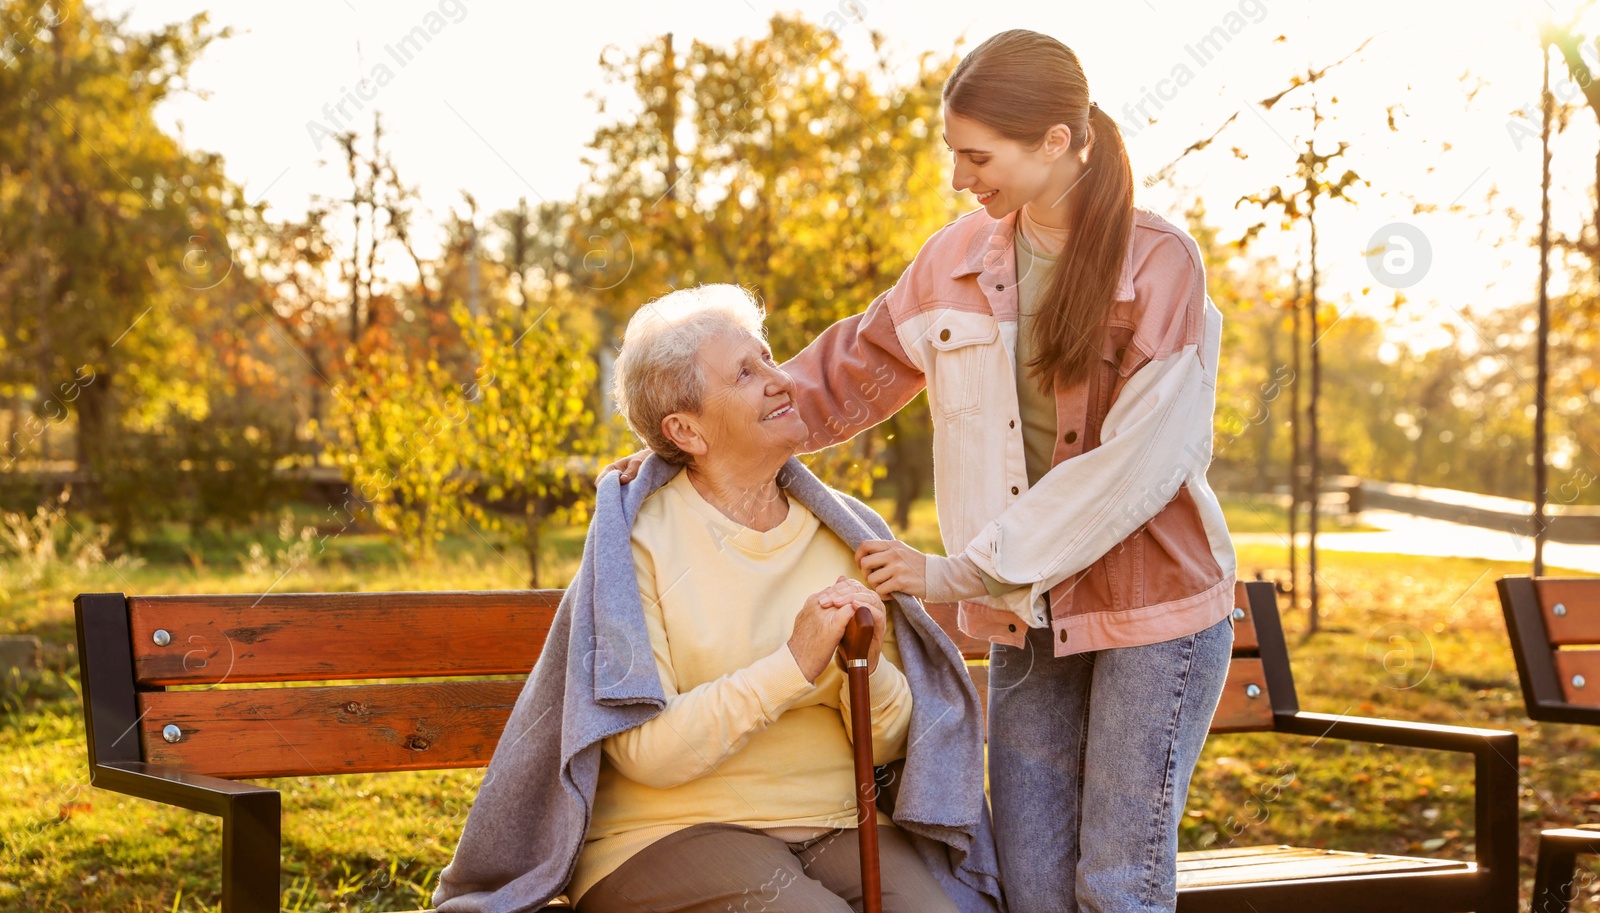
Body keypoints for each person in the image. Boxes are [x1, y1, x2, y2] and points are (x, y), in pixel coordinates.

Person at [605, 29, 1237, 913]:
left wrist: (961, 572)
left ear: (1056, 141)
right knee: (1030, 877)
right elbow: (848, 370)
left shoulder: (1157, 262)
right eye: (953, 153)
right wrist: (697, 433)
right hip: (1027, 617)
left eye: (977, 156)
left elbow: (1135, 467)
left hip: (1150, 609)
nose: (958, 178)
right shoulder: (957, 259)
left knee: (1117, 882)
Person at [434, 284, 1003, 913]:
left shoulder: (851, 532)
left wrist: (859, 669)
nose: (780, 379)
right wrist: (793, 665)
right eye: (745, 372)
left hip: (838, 821)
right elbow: (642, 750)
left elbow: (894, 743)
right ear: (686, 429)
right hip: (663, 834)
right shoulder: (640, 541)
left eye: (768, 358)